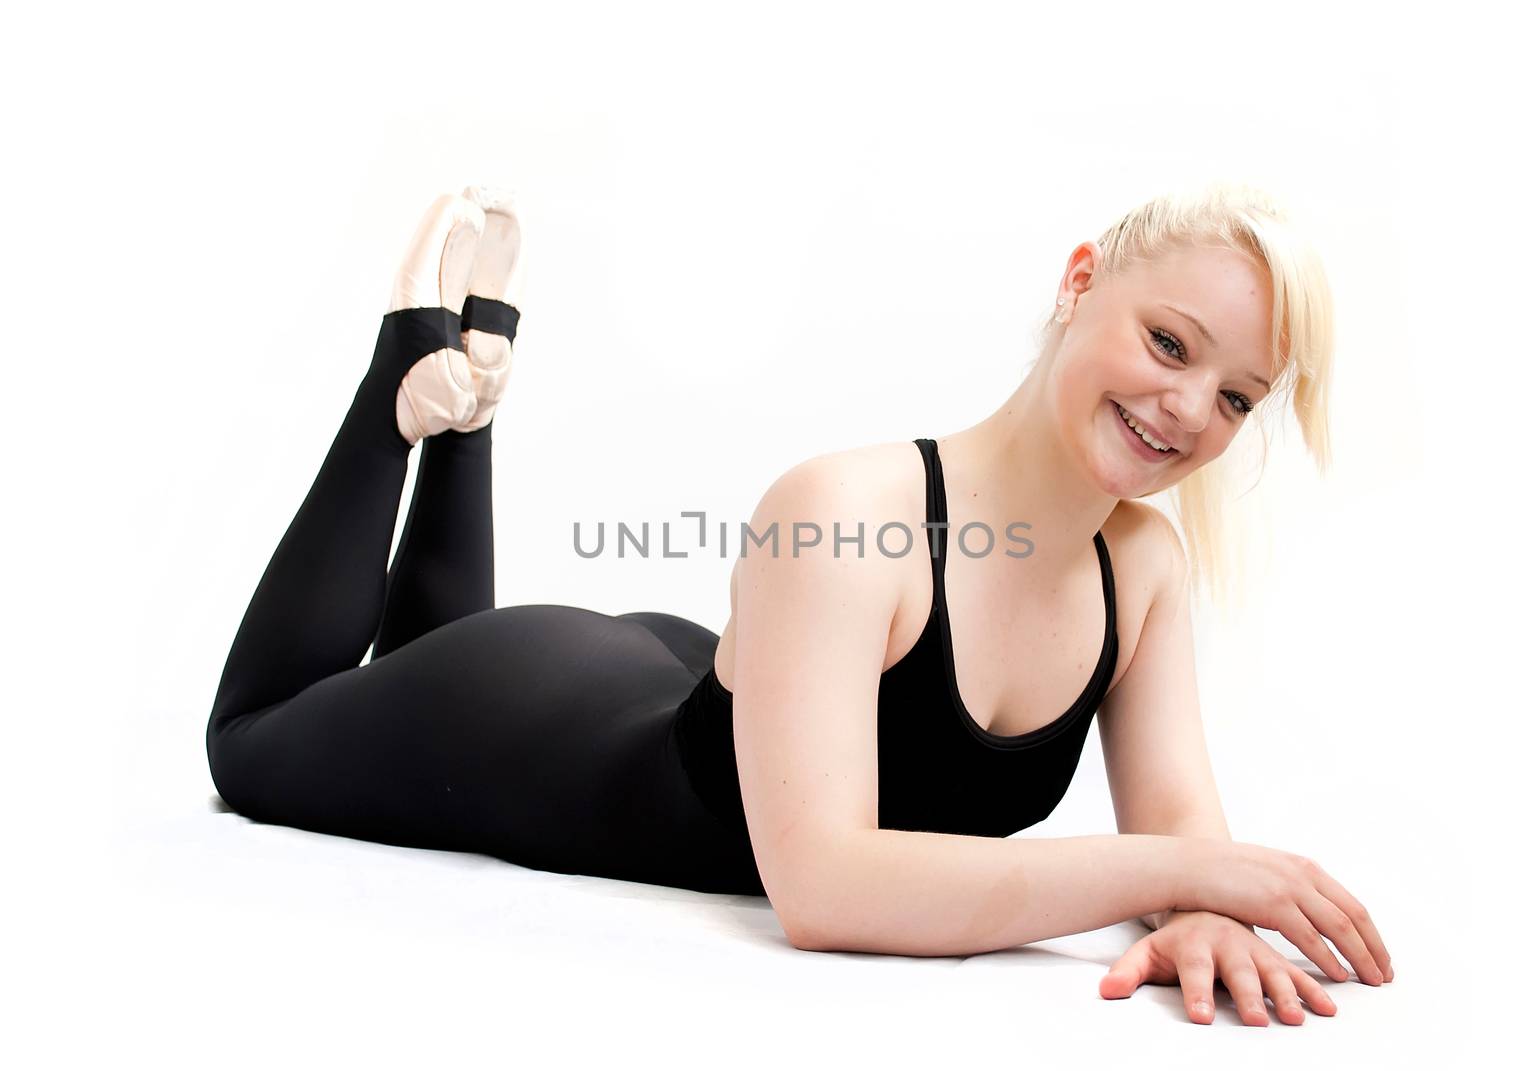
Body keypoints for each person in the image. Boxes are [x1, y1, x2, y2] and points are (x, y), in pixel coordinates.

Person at [207, 183, 1393, 1028]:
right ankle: (408, 373)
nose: (1189, 410)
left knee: (404, 661)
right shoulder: (843, 508)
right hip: (537, 726)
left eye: (1237, 397)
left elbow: (1183, 828)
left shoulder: (1142, 571)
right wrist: (1177, 882)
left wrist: (1197, 910)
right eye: (1169, 342)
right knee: (257, 744)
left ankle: (467, 396)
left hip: (695, 688)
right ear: (1081, 282)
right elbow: (823, 891)